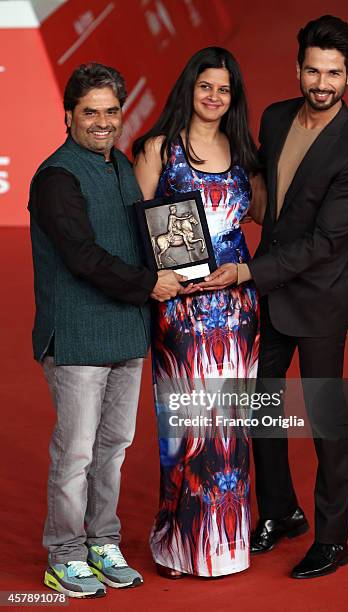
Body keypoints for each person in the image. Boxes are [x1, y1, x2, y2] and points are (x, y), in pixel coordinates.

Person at [199, 15, 348, 579]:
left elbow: (325, 243)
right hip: (269, 296)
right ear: (297, 67)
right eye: (312, 70)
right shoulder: (277, 118)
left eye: (333, 73)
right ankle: (281, 511)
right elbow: (254, 189)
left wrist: (244, 272)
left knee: (328, 424)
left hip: (318, 302)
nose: (321, 83)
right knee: (262, 412)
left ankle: (333, 539)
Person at [28, 63, 185, 598]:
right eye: (89, 112)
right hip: (76, 337)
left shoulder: (119, 164)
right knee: (75, 453)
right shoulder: (56, 177)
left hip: (125, 332)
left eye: (111, 111)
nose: (102, 122)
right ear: (68, 115)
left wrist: (183, 262)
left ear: (123, 113)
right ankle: (65, 554)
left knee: (113, 448)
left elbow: (142, 232)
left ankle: (103, 541)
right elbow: (82, 258)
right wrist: (150, 285)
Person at [133, 47, 259, 578]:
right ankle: (180, 544)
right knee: (186, 430)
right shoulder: (161, 149)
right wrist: (158, 280)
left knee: (231, 430)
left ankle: (228, 546)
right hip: (182, 317)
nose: (214, 97)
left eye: (224, 89)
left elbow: (259, 215)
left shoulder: (243, 149)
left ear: (234, 97)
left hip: (236, 310)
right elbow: (134, 227)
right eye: (205, 86)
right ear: (188, 88)